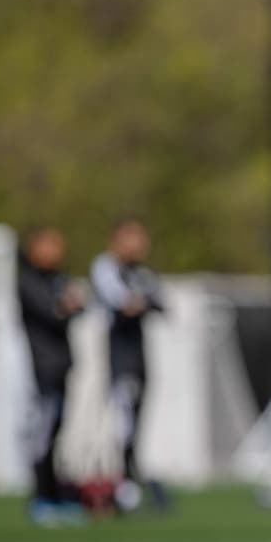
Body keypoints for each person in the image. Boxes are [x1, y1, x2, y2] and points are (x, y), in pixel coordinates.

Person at [90, 217, 167, 512]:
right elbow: (123, 302)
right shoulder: (106, 267)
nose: (140, 245)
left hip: (138, 353)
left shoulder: (141, 272)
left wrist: (142, 302)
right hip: (117, 354)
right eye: (133, 238)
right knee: (120, 420)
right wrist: (138, 302)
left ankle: (129, 480)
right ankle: (117, 484)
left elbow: (158, 303)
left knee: (135, 418)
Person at [17, 227, 86, 525]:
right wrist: (66, 307)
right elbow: (54, 312)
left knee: (55, 433)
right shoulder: (28, 281)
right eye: (49, 245)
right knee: (42, 435)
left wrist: (70, 306)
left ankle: (55, 496)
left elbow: (74, 307)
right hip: (41, 368)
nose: (57, 251)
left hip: (60, 367)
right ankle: (41, 499)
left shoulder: (57, 278)